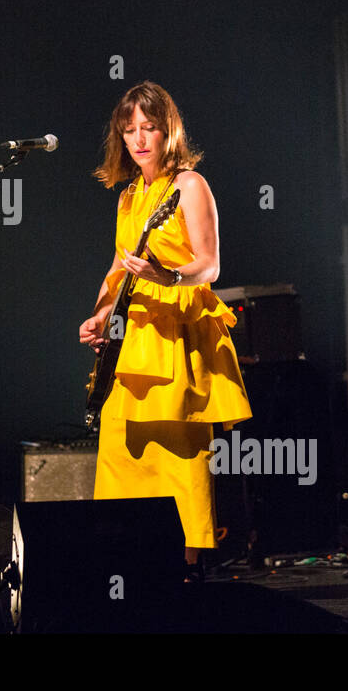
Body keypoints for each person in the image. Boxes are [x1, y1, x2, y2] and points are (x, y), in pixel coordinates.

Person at [78, 80, 251, 580]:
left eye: (148, 127)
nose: (138, 138)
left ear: (167, 130)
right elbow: (117, 267)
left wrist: (167, 276)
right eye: (129, 129)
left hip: (176, 335)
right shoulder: (130, 195)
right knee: (119, 451)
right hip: (132, 343)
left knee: (178, 463)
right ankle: (127, 573)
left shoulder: (190, 185)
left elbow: (210, 264)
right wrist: (99, 314)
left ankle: (186, 576)